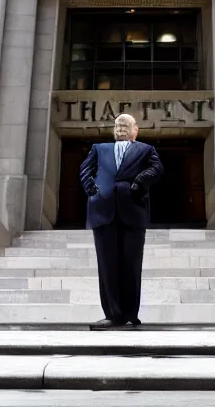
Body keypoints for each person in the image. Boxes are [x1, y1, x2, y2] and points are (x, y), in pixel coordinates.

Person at [79, 114, 164, 330]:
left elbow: (157, 169)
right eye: (117, 125)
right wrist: (91, 189)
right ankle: (112, 314)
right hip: (103, 211)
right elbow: (85, 170)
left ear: (135, 130)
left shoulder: (145, 150)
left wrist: (139, 181)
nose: (120, 129)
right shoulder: (99, 148)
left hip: (133, 211)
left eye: (125, 125)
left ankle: (129, 313)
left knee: (131, 265)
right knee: (107, 265)